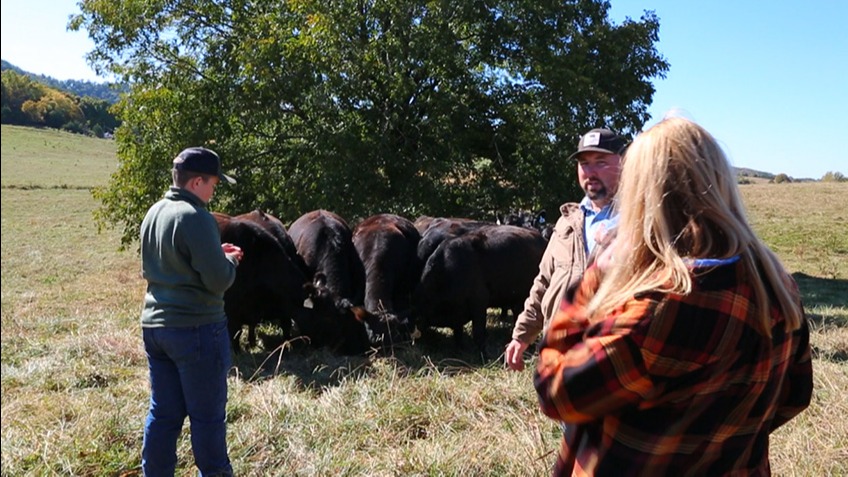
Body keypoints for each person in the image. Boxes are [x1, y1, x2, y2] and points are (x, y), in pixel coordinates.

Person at [534, 117, 813, 476]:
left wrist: (594, 275)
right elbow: (794, 397)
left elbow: (555, 391)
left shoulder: (656, 308)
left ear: (642, 191)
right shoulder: (776, 285)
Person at [139, 146, 243, 476]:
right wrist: (227, 260)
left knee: (164, 413)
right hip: (195, 329)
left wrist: (213, 250)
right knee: (207, 417)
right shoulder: (195, 216)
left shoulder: (155, 211)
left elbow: (172, 261)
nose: (214, 189)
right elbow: (218, 281)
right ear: (197, 181)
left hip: (156, 327)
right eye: (213, 182)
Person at [506, 128, 626, 371]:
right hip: (560, 354)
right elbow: (543, 282)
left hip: (613, 357)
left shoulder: (637, 221)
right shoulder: (566, 223)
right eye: (584, 163)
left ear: (624, 164)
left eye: (601, 162)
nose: (590, 172)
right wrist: (522, 335)